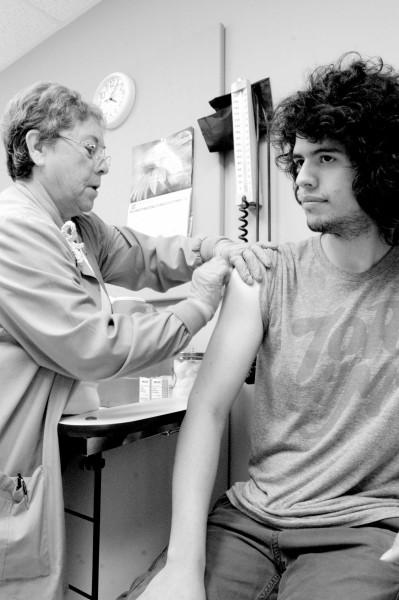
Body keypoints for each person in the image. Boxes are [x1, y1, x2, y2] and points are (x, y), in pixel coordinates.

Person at [120, 53, 399, 600]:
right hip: (250, 518)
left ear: (379, 163)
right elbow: (207, 408)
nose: (304, 179)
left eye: (327, 157)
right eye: (298, 161)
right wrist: (182, 564)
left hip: (363, 528)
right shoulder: (265, 272)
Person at [0, 81, 274, 599]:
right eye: (90, 148)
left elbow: (144, 254)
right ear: (37, 147)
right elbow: (93, 345)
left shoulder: (74, 229)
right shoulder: (12, 230)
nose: (104, 164)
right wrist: (198, 304)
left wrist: (212, 246)